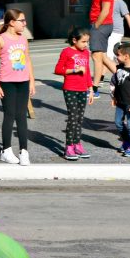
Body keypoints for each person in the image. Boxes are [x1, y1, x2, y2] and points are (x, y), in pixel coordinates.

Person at [0, 9, 36, 165]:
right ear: (11, 22)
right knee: (10, 115)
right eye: (21, 20)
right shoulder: (0, 39)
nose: (25, 23)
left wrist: (31, 81)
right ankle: (6, 149)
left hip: (23, 81)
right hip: (7, 82)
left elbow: (27, 60)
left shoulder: (23, 39)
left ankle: (24, 151)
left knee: (21, 115)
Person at [53, 27, 94, 161]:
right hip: (70, 88)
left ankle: (77, 144)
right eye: (83, 42)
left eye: (87, 42)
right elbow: (58, 69)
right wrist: (74, 70)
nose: (86, 45)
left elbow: (87, 71)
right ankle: (69, 146)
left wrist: (91, 88)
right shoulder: (67, 52)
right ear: (74, 40)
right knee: (73, 117)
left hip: (83, 89)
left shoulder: (86, 53)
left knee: (80, 118)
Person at [85, 0, 114, 98]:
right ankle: (125, 77)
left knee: (96, 57)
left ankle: (94, 89)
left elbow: (106, 9)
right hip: (101, 25)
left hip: (101, 25)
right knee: (101, 56)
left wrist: (96, 25)